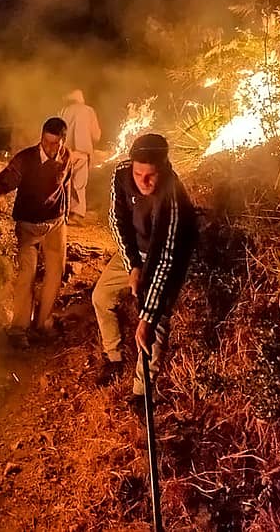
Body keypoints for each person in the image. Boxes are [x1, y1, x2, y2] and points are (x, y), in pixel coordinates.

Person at [92, 133, 198, 413]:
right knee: (101, 296)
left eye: (151, 176)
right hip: (135, 252)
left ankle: (142, 391)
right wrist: (132, 266)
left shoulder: (172, 196)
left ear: (162, 169)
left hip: (165, 256)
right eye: (138, 174)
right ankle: (114, 357)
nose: (143, 181)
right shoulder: (121, 173)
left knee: (156, 323)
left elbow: (166, 258)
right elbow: (117, 220)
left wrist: (147, 316)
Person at [0, 117, 71, 348]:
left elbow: (64, 184)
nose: (49, 148)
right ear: (41, 137)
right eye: (46, 142)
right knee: (26, 275)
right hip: (28, 225)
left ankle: (42, 323)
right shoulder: (26, 159)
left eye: (55, 144)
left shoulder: (67, 157)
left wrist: (65, 213)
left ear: (62, 142)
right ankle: (19, 329)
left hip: (55, 223)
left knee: (55, 273)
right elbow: (5, 180)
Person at [59, 89, 101, 225]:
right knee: (79, 184)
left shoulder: (64, 111)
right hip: (82, 152)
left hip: (66, 152)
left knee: (64, 182)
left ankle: (63, 212)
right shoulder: (89, 111)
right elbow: (96, 135)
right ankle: (76, 214)